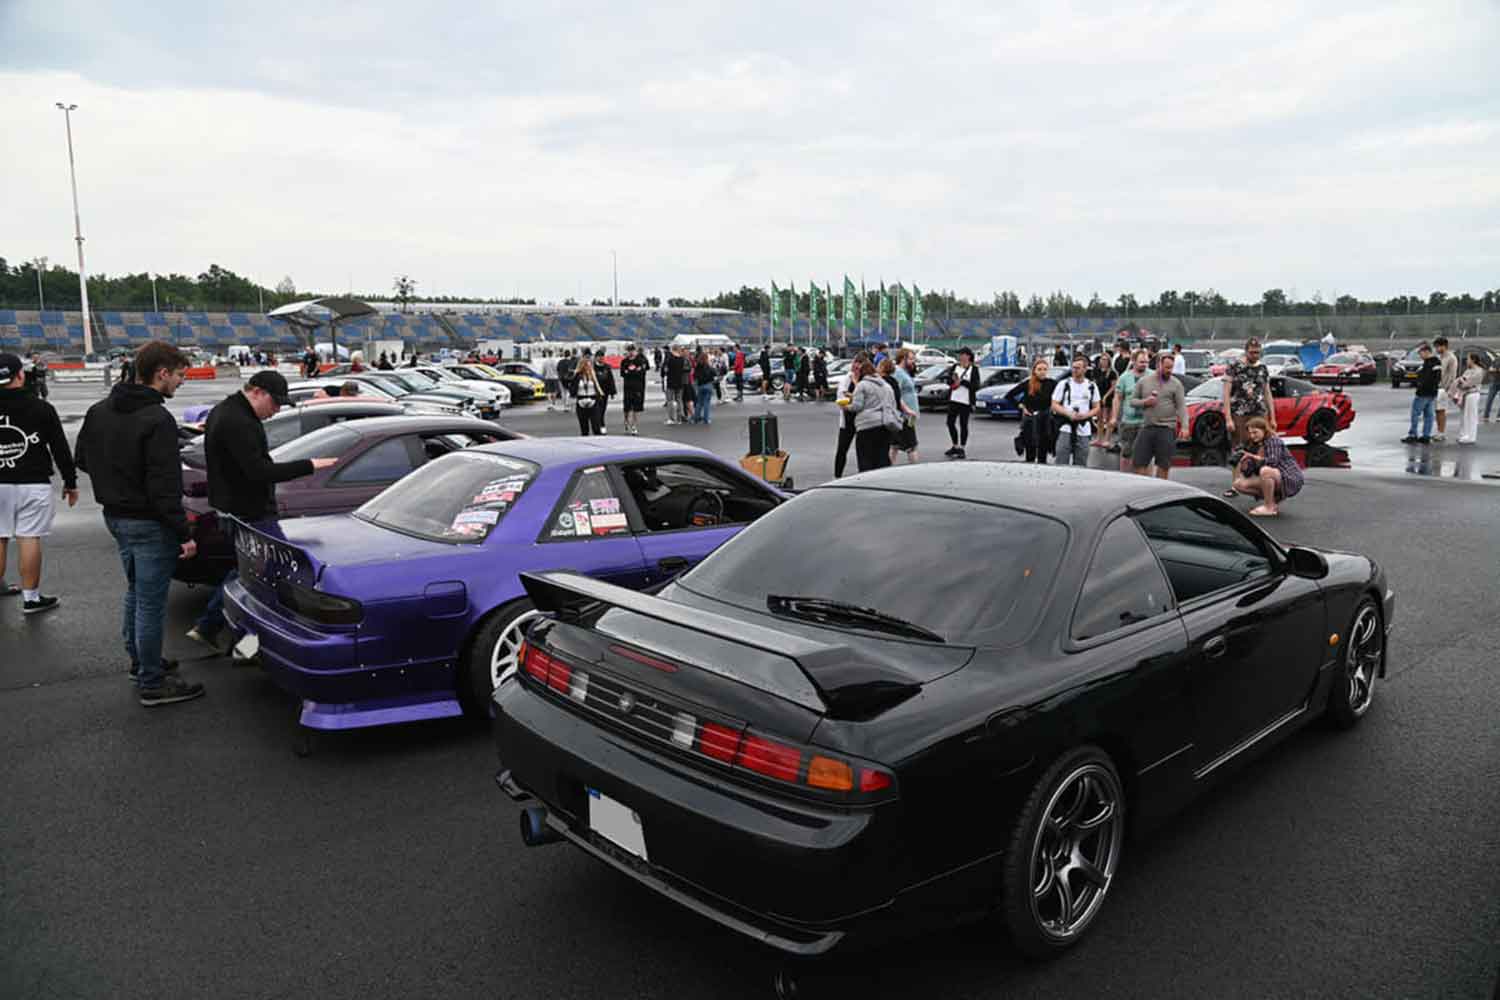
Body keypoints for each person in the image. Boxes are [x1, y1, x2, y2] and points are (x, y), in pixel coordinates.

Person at [74, 341, 204, 706]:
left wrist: (116, 478)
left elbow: (82, 458)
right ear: (161, 373)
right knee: (150, 603)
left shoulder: (99, 410)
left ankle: (141, 661)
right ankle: (151, 680)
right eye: (179, 375)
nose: (181, 383)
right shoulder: (157, 419)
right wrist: (184, 532)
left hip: (115, 516)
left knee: (136, 592)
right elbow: (164, 487)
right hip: (148, 522)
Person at [188, 371, 337, 649]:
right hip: (248, 511)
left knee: (246, 575)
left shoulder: (227, 410)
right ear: (256, 392)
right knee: (252, 578)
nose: (276, 410)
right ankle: (237, 638)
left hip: (234, 507)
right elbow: (259, 472)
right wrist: (309, 465)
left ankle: (223, 632)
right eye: (275, 403)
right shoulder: (239, 422)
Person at [0, 352, 77, 612]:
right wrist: (70, 480)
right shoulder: (41, 408)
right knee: (29, 537)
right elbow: (59, 447)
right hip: (33, 481)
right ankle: (31, 598)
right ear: (20, 375)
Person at [1222, 338, 1276, 495]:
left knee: (1261, 448)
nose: (1255, 355)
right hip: (1239, 414)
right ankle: (1235, 485)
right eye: (1252, 352)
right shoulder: (1234, 367)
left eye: (1258, 352)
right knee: (1239, 449)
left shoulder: (1263, 369)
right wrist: (1228, 418)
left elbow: (1267, 393)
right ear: (1246, 351)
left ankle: (1260, 484)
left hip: (1259, 413)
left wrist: (1272, 417)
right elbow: (1226, 394)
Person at [1131, 352, 1188, 479]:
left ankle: (1160, 490)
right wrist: (1145, 402)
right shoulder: (1144, 381)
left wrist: (1185, 426)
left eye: (1171, 367)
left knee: (1163, 465)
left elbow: (1182, 406)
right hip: (1147, 427)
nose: (1170, 370)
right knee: (1139, 462)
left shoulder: (1176, 384)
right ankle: (1142, 488)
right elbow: (1132, 401)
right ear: (1158, 365)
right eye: (1167, 367)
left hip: (1167, 428)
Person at [1231, 417, 1303, 517]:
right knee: (1238, 484)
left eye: (1255, 432)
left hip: (1290, 477)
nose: (1252, 436)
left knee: (1266, 471)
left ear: (1264, 430)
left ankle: (1269, 507)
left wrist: (1253, 457)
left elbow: (1272, 462)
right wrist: (1243, 465)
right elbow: (1250, 472)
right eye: (1250, 433)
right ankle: (1272, 502)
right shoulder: (1255, 445)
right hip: (1276, 477)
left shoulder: (1273, 440)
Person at [846, 359, 896, 472]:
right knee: (882, 457)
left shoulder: (862, 385)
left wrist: (846, 406)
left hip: (866, 426)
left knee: (865, 458)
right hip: (885, 425)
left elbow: (857, 407)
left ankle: (867, 484)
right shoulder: (886, 385)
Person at [1051, 356, 1100, 467]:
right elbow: (1054, 404)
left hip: (1083, 428)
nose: (1074, 370)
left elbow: (1097, 407)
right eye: (1073, 367)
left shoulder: (1091, 386)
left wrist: (1085, 415)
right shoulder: (1064, 384)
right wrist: (1068, 413)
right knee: (1061, 461)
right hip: (1065, 427)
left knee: (1081, 463)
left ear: (1085, 369)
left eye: (1077, 368)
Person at [1112, 350, 1150, 472]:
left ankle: (1147, 480)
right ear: (1133, 361)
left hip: (1146, 422)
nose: (1144, 364)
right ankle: (1125, 477)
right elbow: (1117, 398)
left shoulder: (1153, 376)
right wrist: (1114, 417)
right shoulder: (1124, 378)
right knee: (1126, 452)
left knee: (1146, 453)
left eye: (1146, 362)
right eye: (1141, 362)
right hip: (1128, 422)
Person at [831, 352, 866, 478]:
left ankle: (863, 476)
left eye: (858, 368)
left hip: (862, 419)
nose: (855, 370)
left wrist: (852, 396)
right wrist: (849, 398)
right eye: (854, 367)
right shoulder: (847, 378)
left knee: (862, 451)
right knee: (842, 449)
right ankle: (837, 476)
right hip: (847, 419)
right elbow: (841, 395)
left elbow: (865, 398)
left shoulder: (865, 379)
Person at [944, 347, 981, 459]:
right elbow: (948, 381)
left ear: (968, 356)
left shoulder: (973, 369)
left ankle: (962, 447)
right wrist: (953, 380)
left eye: (961, 354)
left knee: (963, 425)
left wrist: (963, 382)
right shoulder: (955, 367)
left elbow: (976, 386)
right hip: (954, 399)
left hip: (965, 401)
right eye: (959, 354)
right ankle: (955, 445)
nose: (960, 356)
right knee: (950, 423)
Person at [1017, 359, 1056, 464]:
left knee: (1043, 452)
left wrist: (1054, 408)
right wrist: (1022, 407)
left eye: (1044, 369)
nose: (1042, 372)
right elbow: (1010, 395)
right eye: (1039, 369)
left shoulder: (1052, 383)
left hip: (1045, 420)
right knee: (1030, 451)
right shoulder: (1028, 383)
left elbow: (1058, 399)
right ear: (1034, 370)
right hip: (1030, 420)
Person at [1402, 344, 1440, 444]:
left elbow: (1426, 378)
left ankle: (1413, 434)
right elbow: (1437, 378)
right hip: (1432, 392)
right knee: (1429, 415)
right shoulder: (1437, 362)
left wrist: (1419, 385)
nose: (1420, 356)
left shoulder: (1428, 363)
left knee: (1415, 413)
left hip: (1423, 393)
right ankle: (1426, 435)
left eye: (1421, 353)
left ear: (1427, 352)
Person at [890, 349, 921, 464]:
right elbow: (895, 393)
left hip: (908, 415)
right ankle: (915, 472)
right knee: (912, 446)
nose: (914, 361)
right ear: (903, 358)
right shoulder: (898, 372)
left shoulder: (905, 372)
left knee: (895, 444)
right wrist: (907, 410)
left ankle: (887, 468)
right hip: (905, 416)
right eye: (911, 359)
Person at [1453, 352, 1485, 445]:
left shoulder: (1479, 371)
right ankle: (1464, 434)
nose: (1467, 361)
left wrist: (1462, 380)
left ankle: (1471, 437)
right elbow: (1461, 382)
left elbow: (1467, 384)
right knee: (1465, 415)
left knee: (1471, 416)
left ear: (1473, 360)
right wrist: (1461, 380)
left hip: (1473, 394)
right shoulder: (1468, 370)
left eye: (1468, 359)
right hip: (1465, 395)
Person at [619, 344, 648, 435]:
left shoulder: (640, 360)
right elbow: (623, 373)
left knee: (636, 407)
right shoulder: (624, 361)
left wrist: (630, 371)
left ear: (635, 351)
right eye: (629, 350)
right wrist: (634, 371)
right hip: (627, 387)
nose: (631, 352)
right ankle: (626, 422)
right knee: (626, 407)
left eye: (632, 350)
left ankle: (634, 425)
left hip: (637, 387)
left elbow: (642, 372)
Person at [1433, 336, 1457, 442]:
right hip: (1436, 387)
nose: (1436, 349)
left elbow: (1452, 375)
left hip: (1444, 388)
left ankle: (1441, 433)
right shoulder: (1440, 357)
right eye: (1436, 347)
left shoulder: (1451, 357)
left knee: (1441, 411)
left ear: (1444, 346)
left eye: (1438, 347)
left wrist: (1448, 390)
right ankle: (1439, 431)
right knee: (1437, 411)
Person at [571, 356, 604, 435]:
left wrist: (601, 395)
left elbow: (598, 386)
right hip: (581, 402)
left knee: (596, 427)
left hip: (593, 400)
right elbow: (572, 388)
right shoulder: (577, 376)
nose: (587, 367)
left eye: (588, 365)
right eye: (585, 365)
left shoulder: (593, 375)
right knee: (584, 429)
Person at [592, 350, 617, 433]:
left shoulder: (607, 367)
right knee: (597, 410)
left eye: (602, 356)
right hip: (595, 392)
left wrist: (612, 392)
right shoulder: (592, 367)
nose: (601, 358)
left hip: (605, 392)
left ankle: (601, 424)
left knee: (603, 409)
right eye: (599, 356)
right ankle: (600, 425)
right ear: (596, 357)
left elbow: (611, 380)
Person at [692, 349, 716, 425]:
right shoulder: (708, 366)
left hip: (700, 385)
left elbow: (694, 376)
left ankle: (696, 418)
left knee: (699, 403)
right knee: (706, 404)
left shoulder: (697, 366)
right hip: (708, 385)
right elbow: (714, 374)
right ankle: (706, 419)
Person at [664, 346, 686, 424]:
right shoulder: (682, 359)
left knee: (670, 400)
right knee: (679, 400)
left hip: (671, 381)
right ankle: (679, 418)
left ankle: (671, 418)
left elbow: (666, 370)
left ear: (673, 350)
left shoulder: (670, 359)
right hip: (679, 381)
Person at [1484, 351, 1500, 424]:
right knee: (1489, 400)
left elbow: (1490, 369)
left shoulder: (1495, 360)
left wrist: (1495, 370)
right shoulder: (1496, 360)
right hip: (1494, 382)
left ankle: (1486, 416)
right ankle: (1487, 416)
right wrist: (1496, 370)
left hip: (1494, 381)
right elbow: (1490, 369)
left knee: (1489, 399)